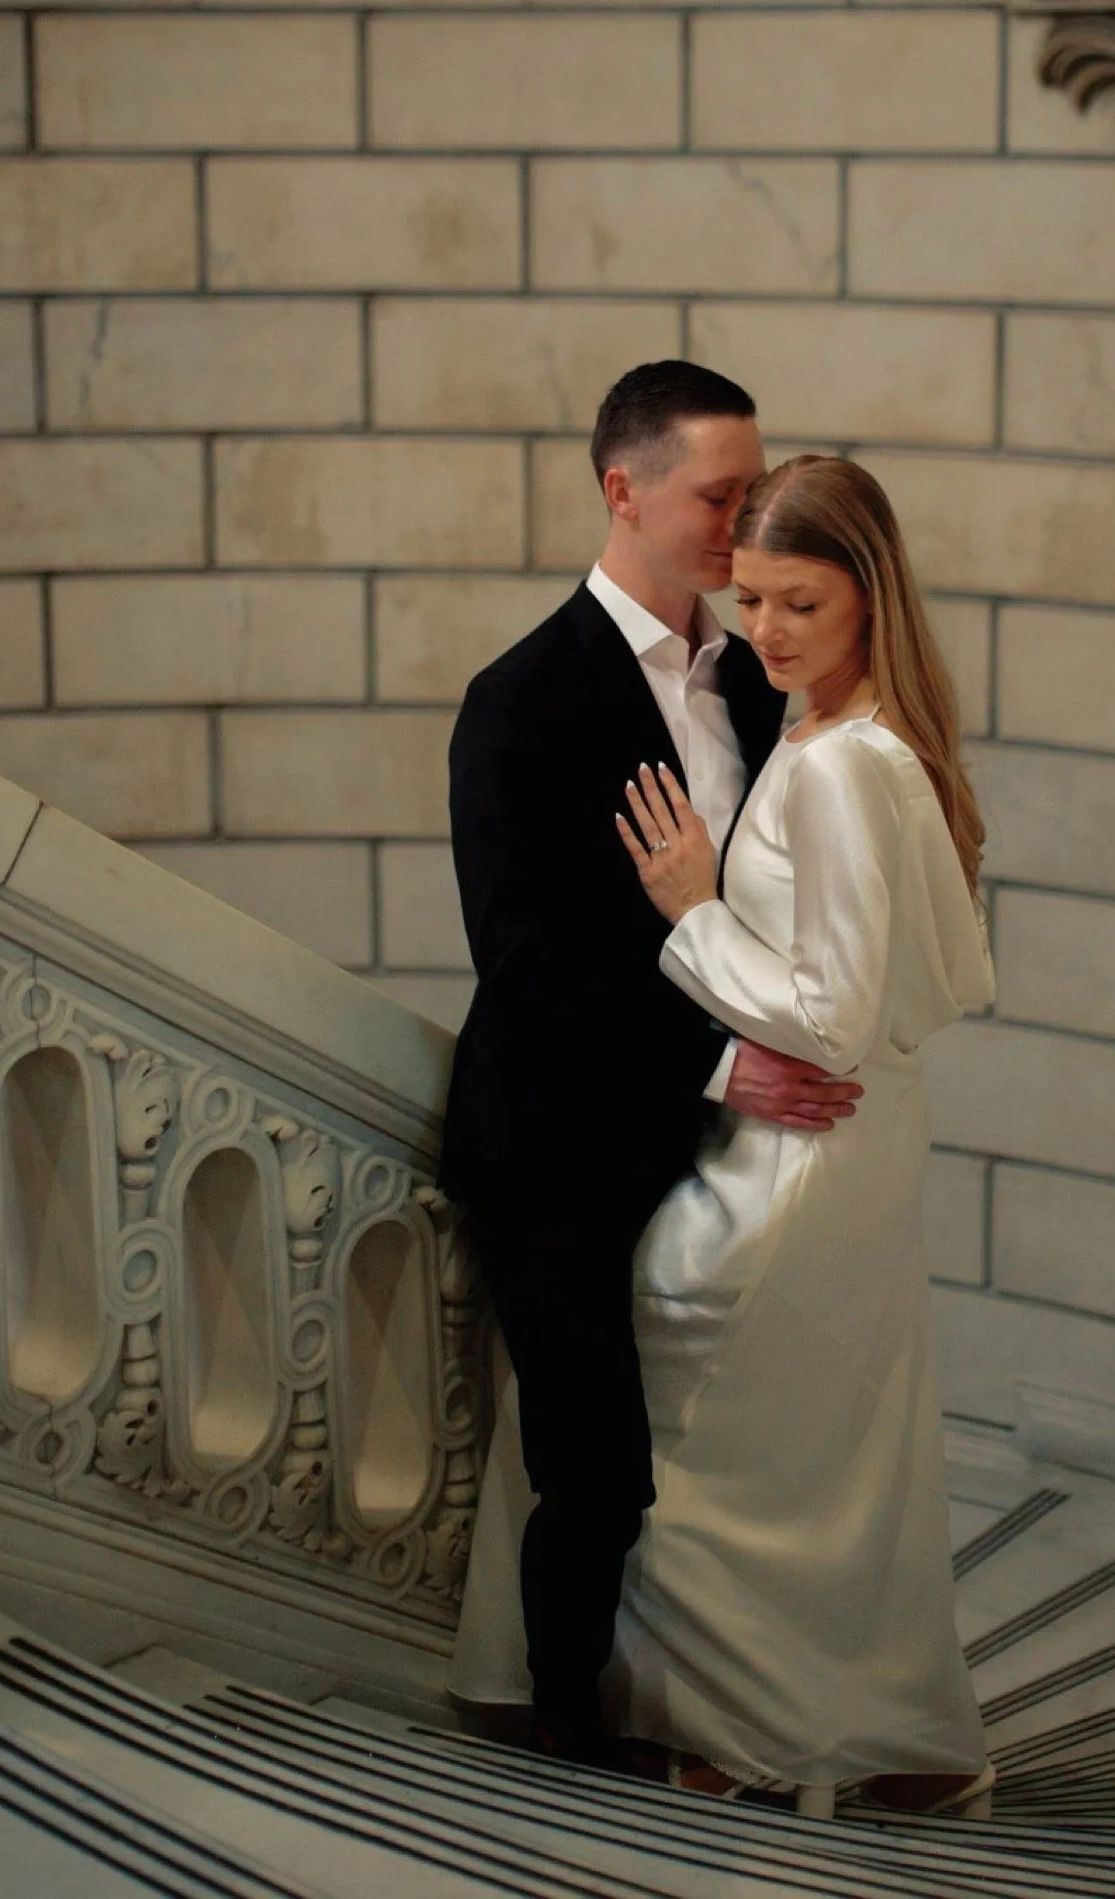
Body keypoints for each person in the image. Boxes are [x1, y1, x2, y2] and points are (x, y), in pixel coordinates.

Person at [441, 364, 861, 1770]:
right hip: (552, 1135)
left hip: (705, 1131)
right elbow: (527, 961)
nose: (746, 532)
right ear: (622, 491)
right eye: (720, 499)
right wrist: (717, 1068)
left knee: (746, 1439)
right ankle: (563, 1729)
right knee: (599, 1461)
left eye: (751, 496)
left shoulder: (751, 675)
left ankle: (737, 1706)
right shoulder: (515, 701)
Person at [607, 453, 994, 1816]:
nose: (764, 633)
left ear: (869, 598)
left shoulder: (839, 769)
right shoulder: (867, 743)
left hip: (806, 1157)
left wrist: (691, 909)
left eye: (801, 606)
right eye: (752, 598)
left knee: (710, 1425)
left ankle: (742, 1739)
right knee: (839, 1458)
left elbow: (829, 1020)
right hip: (861, 1153)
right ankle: (887, 1745)